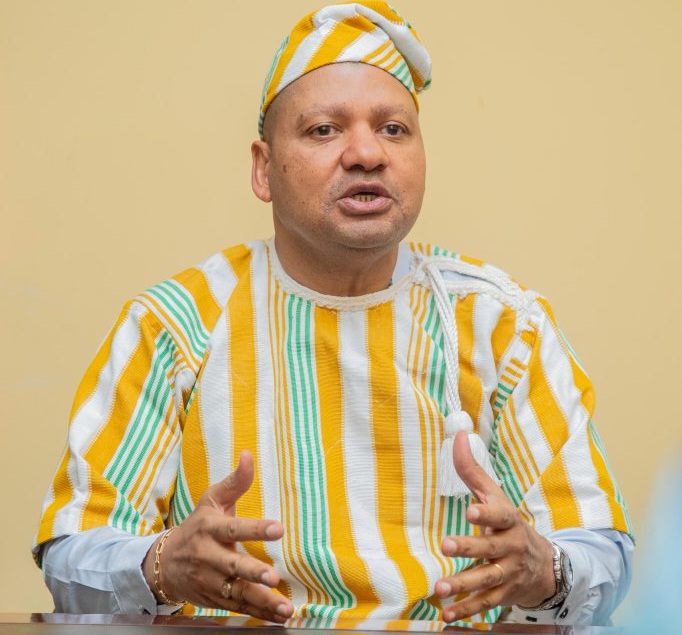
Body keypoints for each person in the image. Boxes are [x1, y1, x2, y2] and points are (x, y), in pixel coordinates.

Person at [34, 1, 633, 626]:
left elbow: (602, 556)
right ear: (264, 169)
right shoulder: (173, 326)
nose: (367, 153)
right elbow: (72, 558)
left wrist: (546, 569)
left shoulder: (503, 325)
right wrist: (160, 564)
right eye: (324, 130)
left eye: (394, 129)